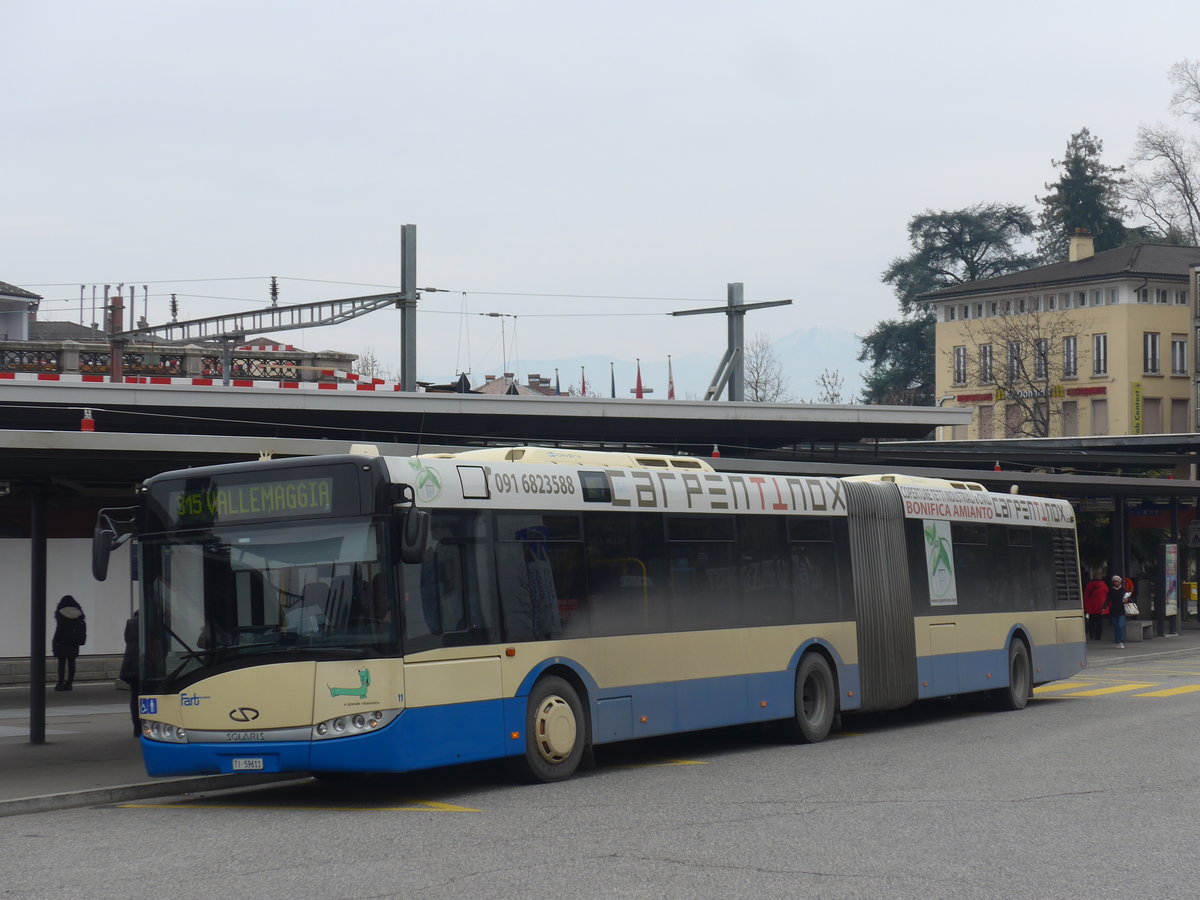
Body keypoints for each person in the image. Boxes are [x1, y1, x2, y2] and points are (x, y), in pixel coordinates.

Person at [50, 595, 87, 691]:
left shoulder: (61, 613)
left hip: (62, 642)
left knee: (61, 663)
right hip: (74, 642)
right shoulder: (78, 613)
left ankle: (60, 683)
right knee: (71, 663)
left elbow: (59, 629)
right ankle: (69, 683)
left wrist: (55, 642)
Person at [120, 610, 140, 738]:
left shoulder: (131, 623)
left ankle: (137, 728)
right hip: (147, 663)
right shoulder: (153, 621)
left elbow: (127, 640)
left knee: (134, 696)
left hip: (131, 662)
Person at [1083, 574, 1108, 641]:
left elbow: (1086, 596)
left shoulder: (1089, 585)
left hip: (1091, 607)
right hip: (1101, 606)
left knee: (1092, 621)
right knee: (1099, 622)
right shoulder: (1103, 584)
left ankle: (1091, 635)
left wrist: (1085, 606)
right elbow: (1107, 595)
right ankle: (1098, 636)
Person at [1107, 575, 1129, 649]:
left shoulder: (1123, 590)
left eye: (1117, 581)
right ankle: (1117, 641)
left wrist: (1126, 600)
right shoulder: (1111, 591)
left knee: (1120, 625)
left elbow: (1127, 598)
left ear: (1120, 582)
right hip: (1113, 610)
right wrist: (1104, 607)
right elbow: (1107, 600)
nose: (1116, 583)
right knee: (1116, 627)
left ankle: (1121, 641)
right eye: (1114, 581)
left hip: (1121, 610)